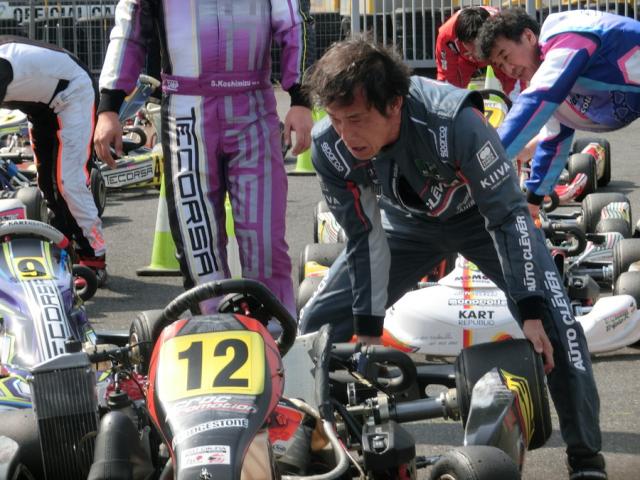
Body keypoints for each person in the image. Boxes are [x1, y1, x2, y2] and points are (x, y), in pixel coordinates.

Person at [299, 37, 606, 479]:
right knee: (316, 325)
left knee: (558, 328)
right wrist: (365, 327)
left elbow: (508, 214)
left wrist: (530, 309)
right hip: (404, 228)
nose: (346, 135)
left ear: (394, 104)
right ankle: (310, 441)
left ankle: (586, 459)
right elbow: (363, 235)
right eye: (336, 120)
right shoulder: (329, 145)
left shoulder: (454, 122)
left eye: (357, 119)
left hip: (482, 220)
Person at [93, 0, 315, 314]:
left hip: (253, 109)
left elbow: (295, 23)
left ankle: (275, 329)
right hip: (186, 114)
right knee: (199, 249)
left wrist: (301, 99)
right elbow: (129, 28)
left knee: (265, 244)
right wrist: (109, 107)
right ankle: (213, 326)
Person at [477, 8, 640, 218]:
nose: (509, 69)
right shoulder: (555, 76)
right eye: (500, 65)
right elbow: (554, 140)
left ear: (528, 36)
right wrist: (533, 203)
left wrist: (482, 163)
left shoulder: (567, 37)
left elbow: (536, 100)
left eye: (506, 56)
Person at [0, 36, 107, 284]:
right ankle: (62, 252)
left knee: (68, 182)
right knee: (46, 184)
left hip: (74, 94)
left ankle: (93, 258)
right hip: (41, 107)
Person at [436, 6, 524, 95]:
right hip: (464, 59)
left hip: (493, 52)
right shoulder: (446, 37)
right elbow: (446, 76)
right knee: (452, 89)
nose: (476, 49)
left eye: (477, 42)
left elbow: (515, 70)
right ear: (460, 39)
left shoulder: (501, 28)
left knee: (511, 72)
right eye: (470, 43)